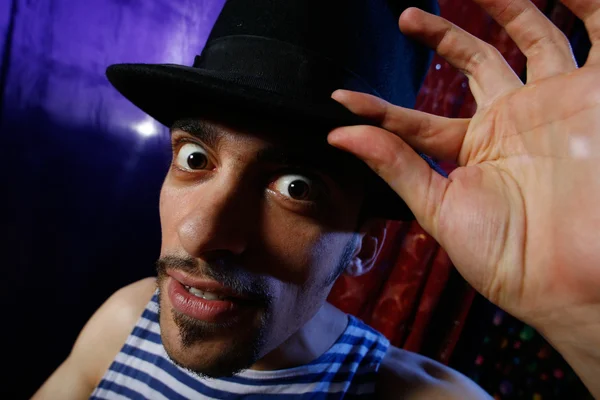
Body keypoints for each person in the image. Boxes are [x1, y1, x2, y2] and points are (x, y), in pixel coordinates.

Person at [33, 0, 600, 398]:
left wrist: (589, 318)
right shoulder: (123, 325)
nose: (200, 235)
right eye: (194, 159)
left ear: (365, 245)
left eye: (296, 188)